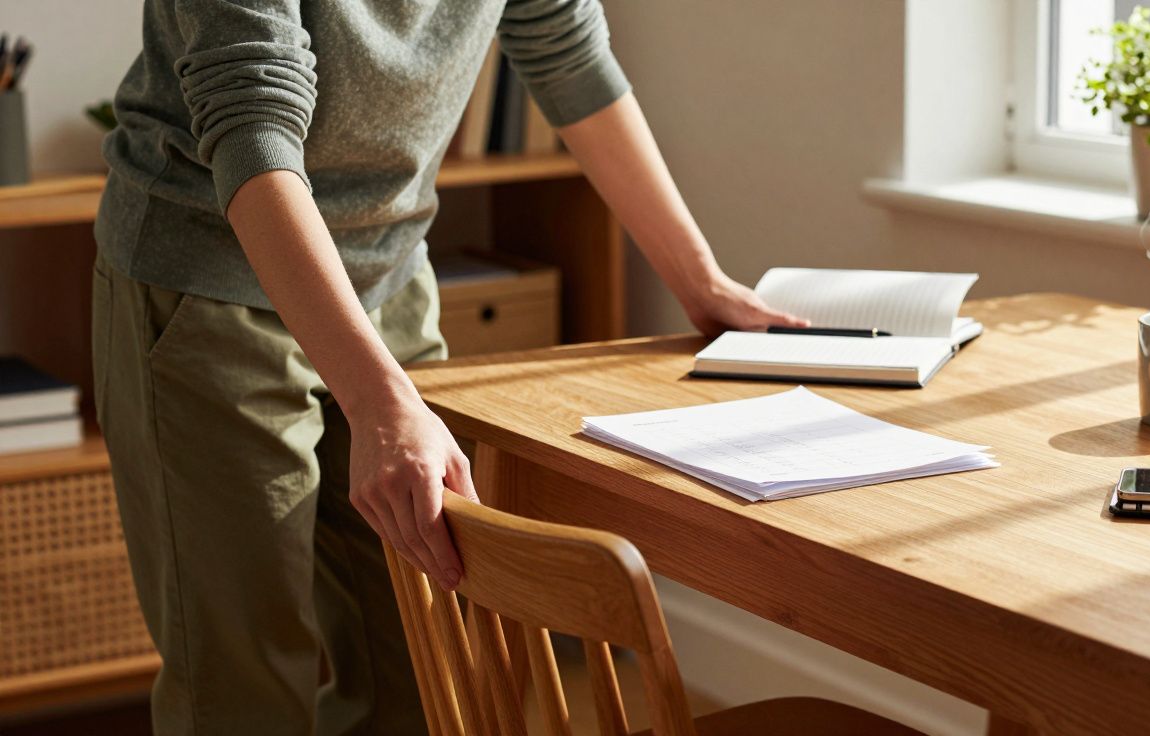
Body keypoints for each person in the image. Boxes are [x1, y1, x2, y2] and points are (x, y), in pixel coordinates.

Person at [92, 0, 805, 732]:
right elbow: (250, 119)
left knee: (427, 671)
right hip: (207, 283)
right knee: (244, 691)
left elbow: (565, 49)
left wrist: (700, 281)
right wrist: (381, 403)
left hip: (390, 276)